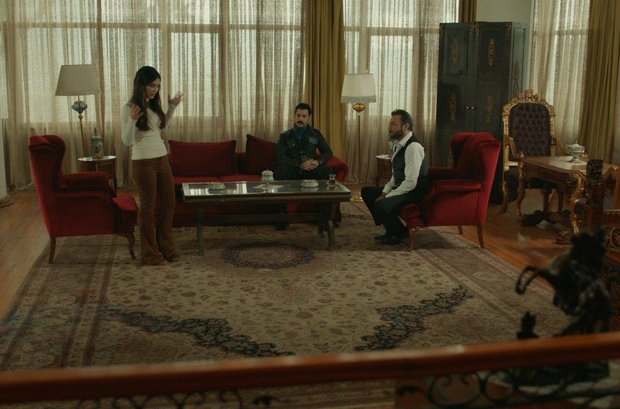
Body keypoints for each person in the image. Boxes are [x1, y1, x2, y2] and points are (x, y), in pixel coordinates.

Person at [121, 66, 182, 266]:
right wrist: (132, 120)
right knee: (148, 207)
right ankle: (149, 253)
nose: (155, 89)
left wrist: (171, 107)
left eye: (157, 86)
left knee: (169, 202)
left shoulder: (154, 105)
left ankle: (166, 247)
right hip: (143, 162)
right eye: (151, 85)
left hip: (162, 158)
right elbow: (127, 140)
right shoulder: (129, 108)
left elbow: (160, 128)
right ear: (141, 85)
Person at [361, 109, 429, 245]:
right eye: (389, 123)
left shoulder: (413, 147)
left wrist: (388, 196)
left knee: (381, 204)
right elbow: (396, 175)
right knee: (367, 192)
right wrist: (385, 191)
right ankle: (393, 230)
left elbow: (411, 182)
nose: (389, 127)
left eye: (393, 124)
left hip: (414, 191)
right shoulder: (399, 144)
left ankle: (399, 233)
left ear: (405, 126)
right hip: (403, 187)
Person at [274, 102, 334, 181]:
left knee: (328, 172)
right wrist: (300, 164)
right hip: (293, 169)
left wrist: (318, 162)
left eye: (304, 116)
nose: (300, 119)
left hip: (311, 169)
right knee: (280, 171)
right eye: (298, 115)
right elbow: (281, 158)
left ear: (308, 118)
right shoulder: (284, 136)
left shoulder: (316, 134)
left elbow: (328, 152)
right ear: (294, 116)